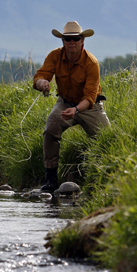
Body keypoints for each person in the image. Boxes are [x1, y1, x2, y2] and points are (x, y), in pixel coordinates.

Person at [33, 21, 110, 193]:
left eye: (76, 38)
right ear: (63, 41)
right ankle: (50, 179)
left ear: (83, 41)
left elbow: (90, 97)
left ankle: (107, 177)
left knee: (108, 139)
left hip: (91, 107)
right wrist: (42, 83)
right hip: (64, 102)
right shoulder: (54, 56)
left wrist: (76, 110)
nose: (72, 42)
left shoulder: (92, 63)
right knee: (50, 128)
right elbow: (39, 76)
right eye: (68, 39)